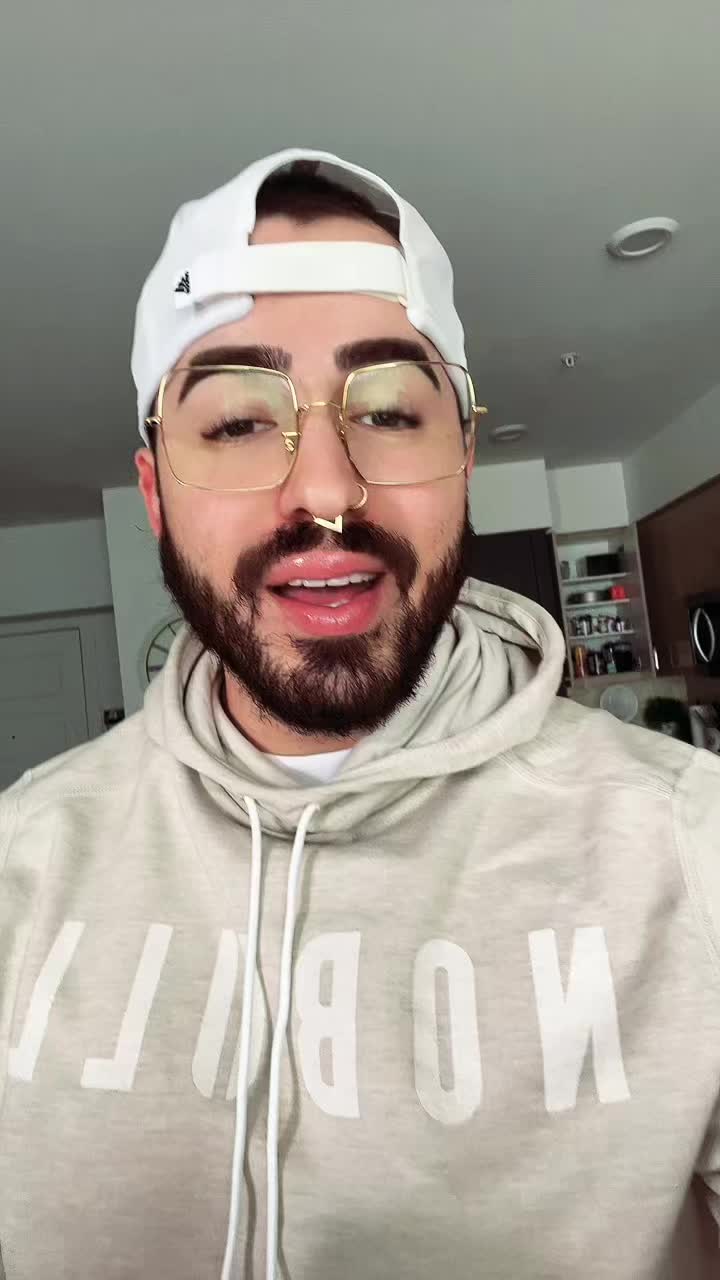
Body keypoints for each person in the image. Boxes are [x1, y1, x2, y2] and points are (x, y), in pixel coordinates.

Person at [1, 147, 719, 1280]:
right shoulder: (23, 863)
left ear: (464, 458)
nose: (328, 492)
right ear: (154, 494)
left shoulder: (692, 847)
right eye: (236, 425)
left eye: (387, 410)